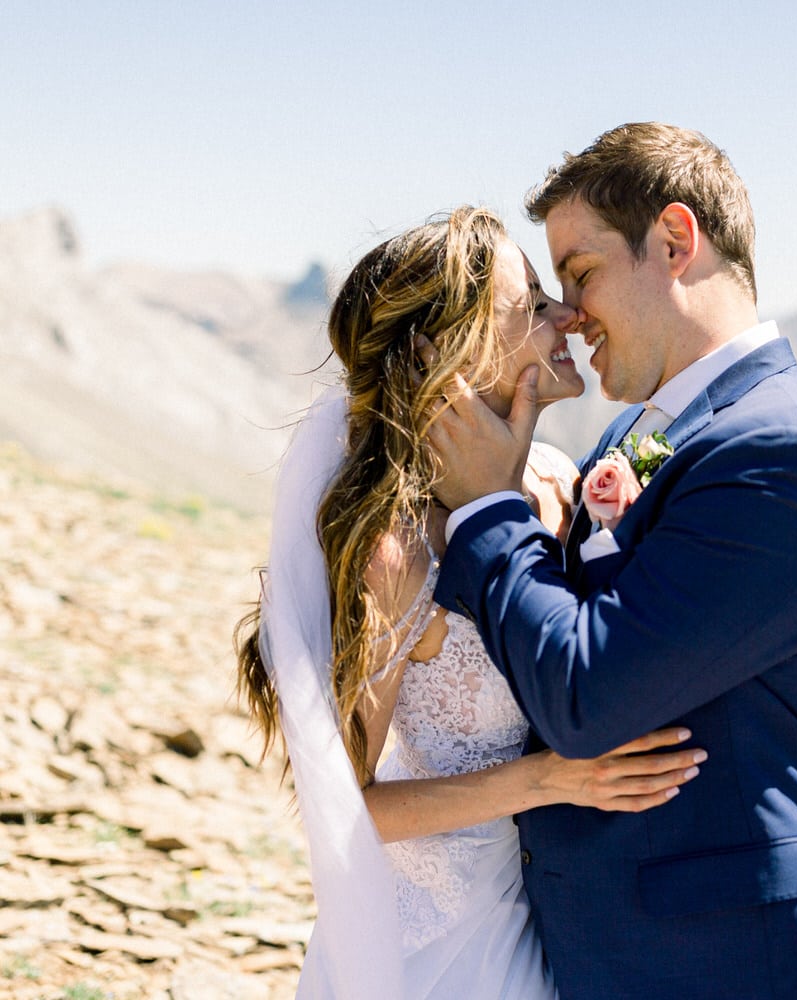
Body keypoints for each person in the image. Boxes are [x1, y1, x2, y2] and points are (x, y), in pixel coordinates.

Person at [424, 124, 797, 999]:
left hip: (740, 962)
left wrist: (489, 510)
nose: (570, 313)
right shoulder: (638, 432)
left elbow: (587, 695)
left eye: (582, 274)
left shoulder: (783, 449)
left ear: (674, 241)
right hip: (630, 952)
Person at [234, 206, 704, 999]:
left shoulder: (560, 479)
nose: (568, 314)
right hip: (437, 942)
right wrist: (550, 782)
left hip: (556, 913)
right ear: (460, 347)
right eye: (533, 304)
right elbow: (349, 806)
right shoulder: (398, 551)